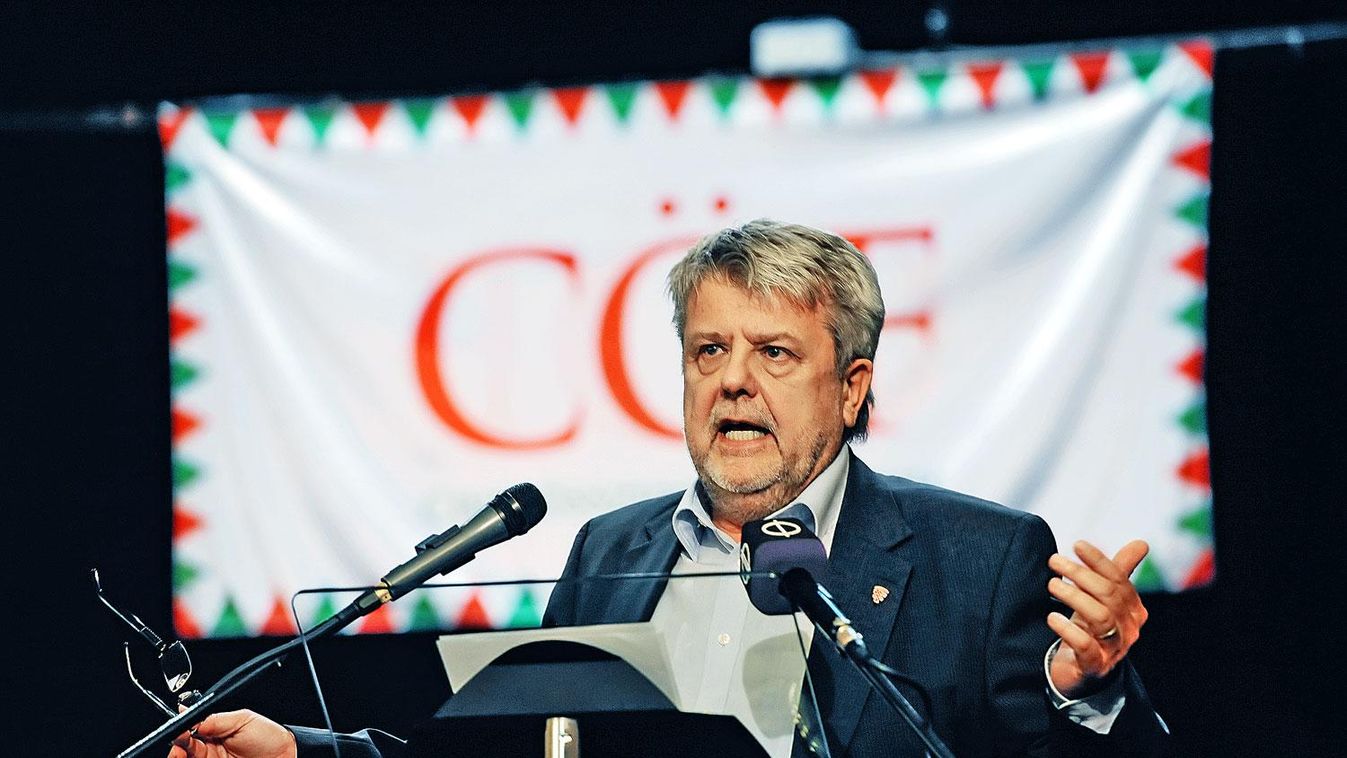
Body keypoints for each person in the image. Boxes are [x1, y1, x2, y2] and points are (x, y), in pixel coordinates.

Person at [171, 220, 1167, 757]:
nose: (732, 380)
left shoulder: (978, 559)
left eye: (774, 352)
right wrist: (304, 753)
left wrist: (1088, 694)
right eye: (708, 351)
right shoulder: (612, 551)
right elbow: (522, 752)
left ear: (852, 385)